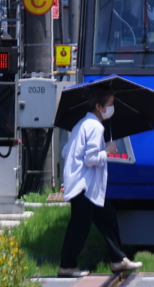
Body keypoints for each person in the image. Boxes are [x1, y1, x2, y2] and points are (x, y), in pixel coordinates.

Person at [58, 86, 142, 278]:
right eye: (110, 104)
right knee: (80, 226)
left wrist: (100, 150)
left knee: (108, 217)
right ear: (99, 106)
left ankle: (118, 260)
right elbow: (90, 159)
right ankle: (66, 266)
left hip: (85, 185)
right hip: (84, 185)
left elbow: (66, 151)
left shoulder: (82, 124)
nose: (113, 107)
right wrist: (107, 150)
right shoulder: (95, 126)